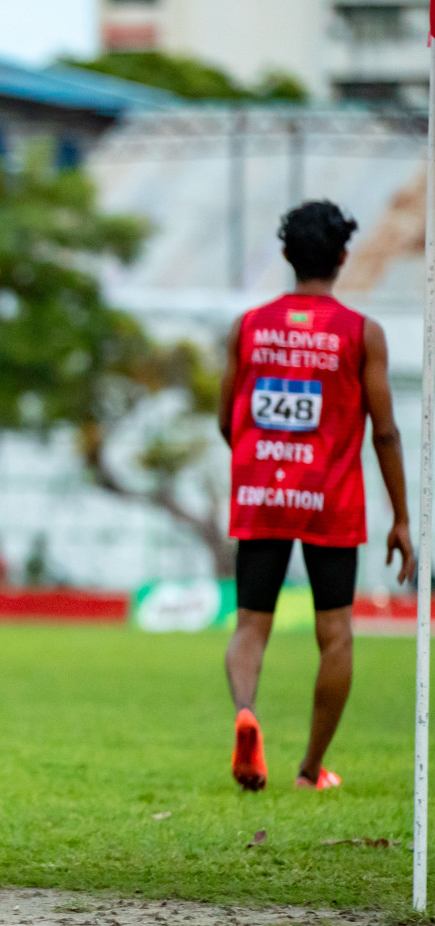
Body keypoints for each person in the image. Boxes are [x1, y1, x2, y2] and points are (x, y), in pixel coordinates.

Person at [219, 200, 412, 792]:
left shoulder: (249, 327)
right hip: (329, 495)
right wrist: (402, 518)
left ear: (285, 255)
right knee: (336, 634)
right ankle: (309, 769)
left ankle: (246, 712)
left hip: (262, 490)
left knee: (251, 624)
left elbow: (228, 419)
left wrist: (261, 461)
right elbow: (383, 430)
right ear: (344, 258)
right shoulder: (360, 333)